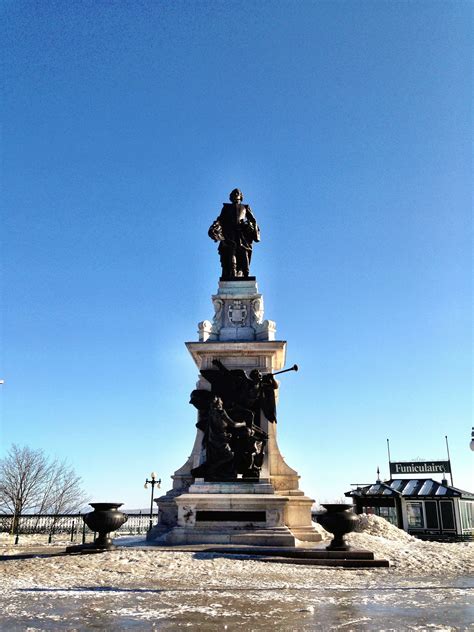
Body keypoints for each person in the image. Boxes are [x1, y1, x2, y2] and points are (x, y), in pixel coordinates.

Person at [208, 189, 260, 279]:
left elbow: (252, 220)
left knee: (244, 253)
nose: (236, 195)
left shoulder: (245, 207)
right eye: (234, 193)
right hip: (229, 235)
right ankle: (232, 273)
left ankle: (246, 273)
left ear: (241, 196)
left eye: (238, 193)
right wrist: (215, 227)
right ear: (231, 197)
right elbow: (220, 220)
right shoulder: (226, 208)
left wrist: (249, 225)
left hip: (242, 235)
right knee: (231, 253)